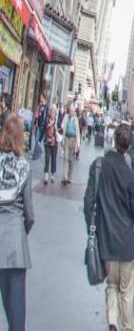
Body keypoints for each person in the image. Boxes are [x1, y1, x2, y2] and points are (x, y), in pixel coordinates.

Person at [84, 123, 134, 331]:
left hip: (106, 242)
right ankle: (127, 326)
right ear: (129, 145)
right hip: (125, 245)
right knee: (126, 290)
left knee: (111, 286)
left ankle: (112, 322)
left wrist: (93, 229)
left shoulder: (99, 166)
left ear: (114, 140)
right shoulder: (131, 178)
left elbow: (88, 205)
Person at [0, 115, 35, 331]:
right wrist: (22, 231)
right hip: (14, 246)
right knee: (17, 314)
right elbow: (30, 214)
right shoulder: (24, 167)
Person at [61, 105, 79, 185]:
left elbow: (78, 132)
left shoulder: (76, 119)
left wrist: (78, 144)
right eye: (70, 110)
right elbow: (62, 125)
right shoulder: (66, 117)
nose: (71, 112)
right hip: (66, 138)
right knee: (66, 157)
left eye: (72, 111)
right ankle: (65, 177)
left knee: (71, 159)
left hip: (73, 140)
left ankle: (69, 177)